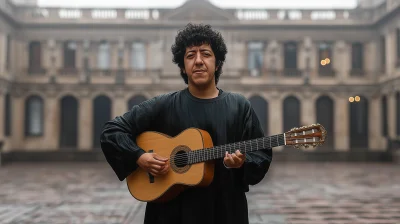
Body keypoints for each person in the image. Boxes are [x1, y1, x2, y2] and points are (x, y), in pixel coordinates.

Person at [100, 23, 273, 224]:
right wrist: (139, 156)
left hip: (225, 211)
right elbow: (112, 131)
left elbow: (261, 153)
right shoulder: (163, 105)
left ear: (217, 63)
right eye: (190, 55)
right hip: (170, 214)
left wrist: (243, 162)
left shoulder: (239, 105)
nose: (198, 61)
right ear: (183, 66)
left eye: (206, 54)